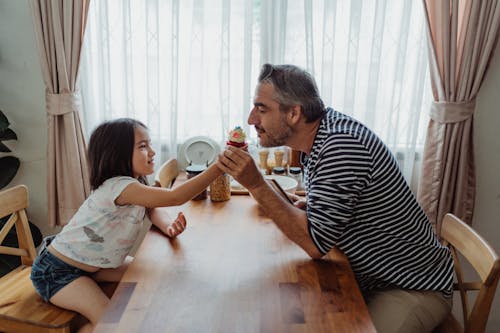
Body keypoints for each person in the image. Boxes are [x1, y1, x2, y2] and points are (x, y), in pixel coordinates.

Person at [218, 64, 454, 333]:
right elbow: (340, 210)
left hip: (409, 286)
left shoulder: (341, 147)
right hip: (367, 277)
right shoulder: (320, 137)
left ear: (294, 113)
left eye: (261, 109)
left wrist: (256, 184)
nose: (251, 119)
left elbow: (315, 244)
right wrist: (317, 207)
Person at [30, 118, 223, 333]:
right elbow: (175, 197)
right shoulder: (121, 187)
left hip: (95, 265)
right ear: (117, 153)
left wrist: (168, 227)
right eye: (143, 146)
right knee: (112, 324)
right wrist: (218, 167)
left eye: (149, 144)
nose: (152, 152)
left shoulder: (136, 184)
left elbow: (151, 210)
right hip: (58, 271)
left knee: (155, 278)